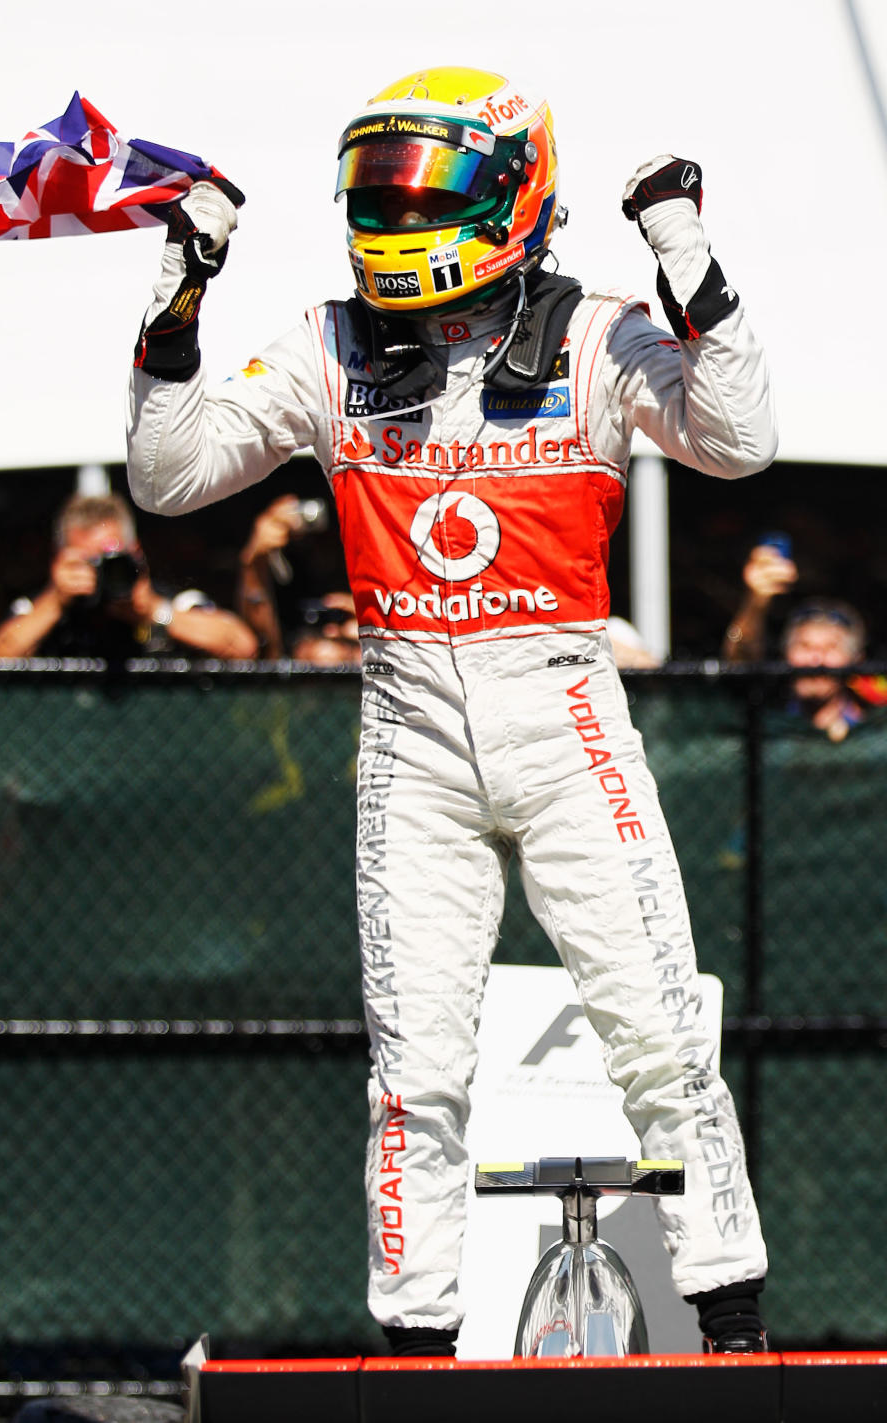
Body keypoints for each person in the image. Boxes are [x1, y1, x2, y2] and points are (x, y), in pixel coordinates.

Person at [126, 66, 777, 1354]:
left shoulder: (600, 334)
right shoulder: (328, 342)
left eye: (420, 189)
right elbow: (169, 471)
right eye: (376, 189)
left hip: (564, 711)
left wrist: (687, 252)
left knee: (659, 1037)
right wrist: (179, 290)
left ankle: (734, 1326)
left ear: (509, 193)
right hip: (407, 725)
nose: (394, 215)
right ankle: (417, 1347)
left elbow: (740, 439)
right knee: (413, 1079)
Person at [0, 492, 258, 661]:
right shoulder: (42, 609)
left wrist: (152, 612)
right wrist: (55, 602)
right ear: (60, 559)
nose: (99, 573)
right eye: (87, 562)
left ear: (135, 552)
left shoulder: (170, 603)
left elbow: (243, 646)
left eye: (109, 561)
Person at [722, 539, 869, 741]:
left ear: (856, 661)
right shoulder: (767, 724)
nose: (816, 660)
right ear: (785, 653)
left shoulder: (875, 731)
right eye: (804, 646)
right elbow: (741, 663)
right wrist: (756, 601)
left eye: (830, 648)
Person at [237, 494, 361, 664]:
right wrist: (255, 559)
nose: (330, 630)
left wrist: (373, 622)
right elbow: (263, 646)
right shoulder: (286, 574)